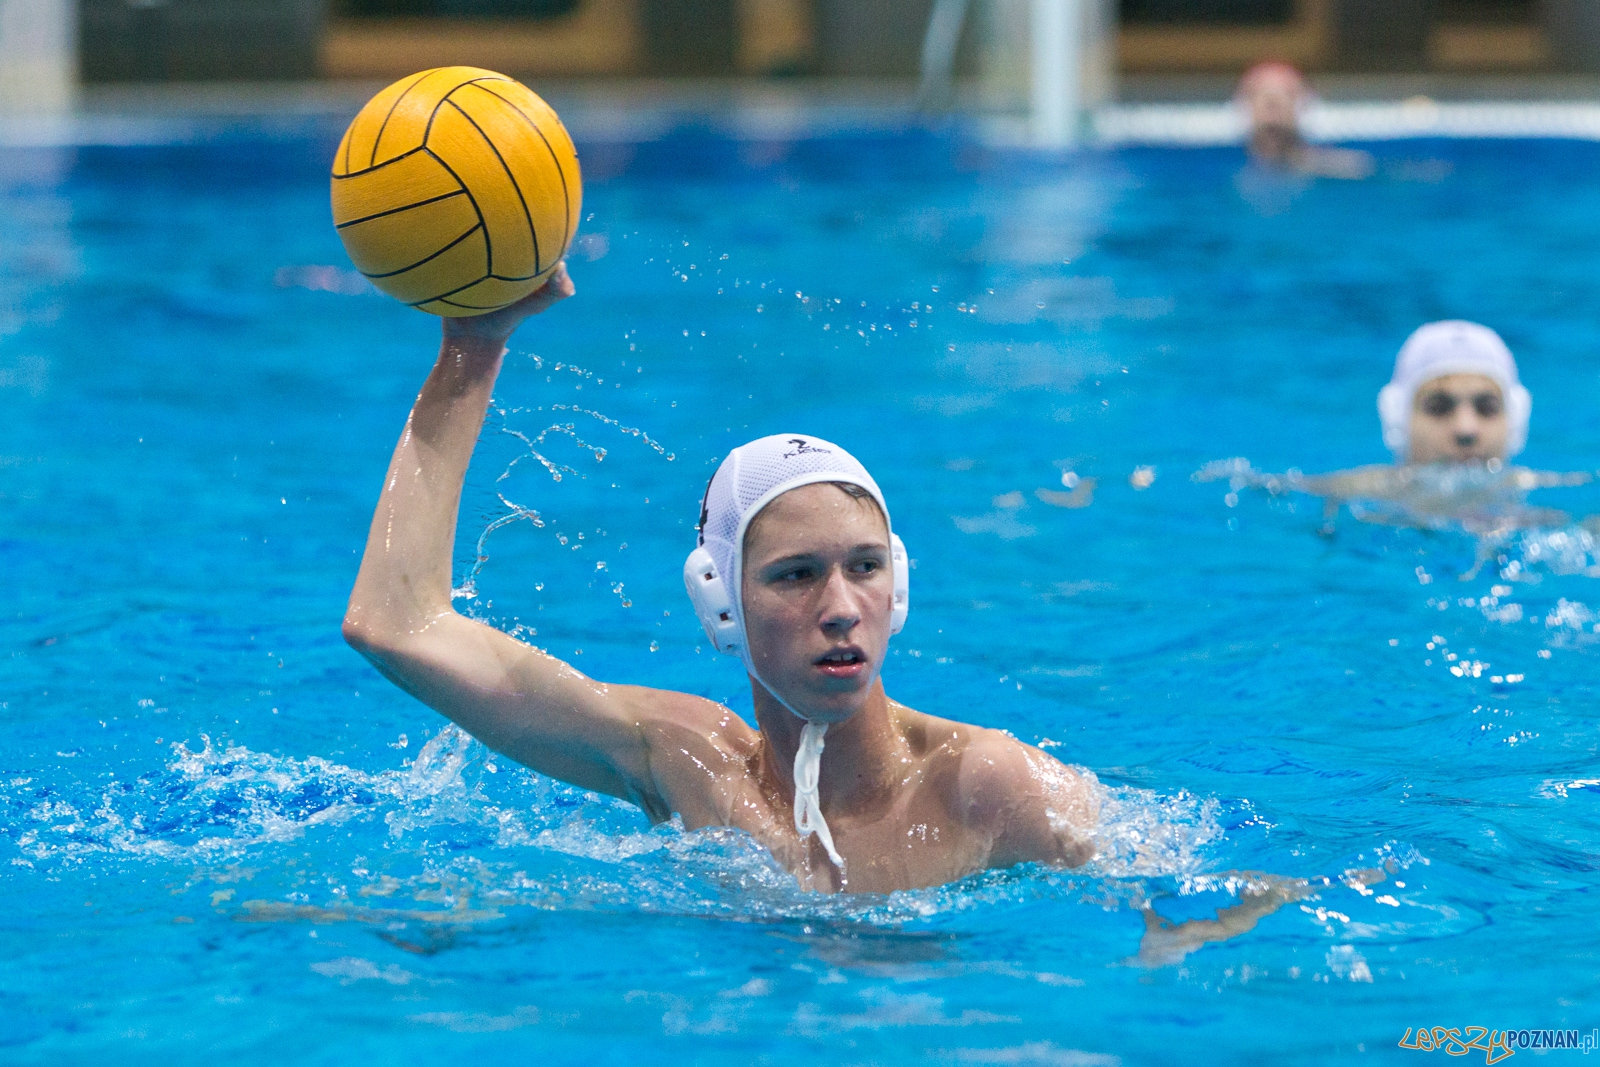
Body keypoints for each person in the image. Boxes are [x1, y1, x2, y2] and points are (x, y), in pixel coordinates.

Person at [341, 264, 1098, 896]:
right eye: (795, 575)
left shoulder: (987, 788)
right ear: (721, 602)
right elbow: (394, 623)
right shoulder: (689, 766)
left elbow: (1156, 907)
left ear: (896, 588)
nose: (840, 609)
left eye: (864, 567)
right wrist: (471, 352)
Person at [1236, 61, 1373, 180]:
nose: (1273, 106)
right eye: (1260, 95)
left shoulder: (1341, 168)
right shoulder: (1225, 167)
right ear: (1243, 105)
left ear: (1304, 105)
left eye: (1287, 95)